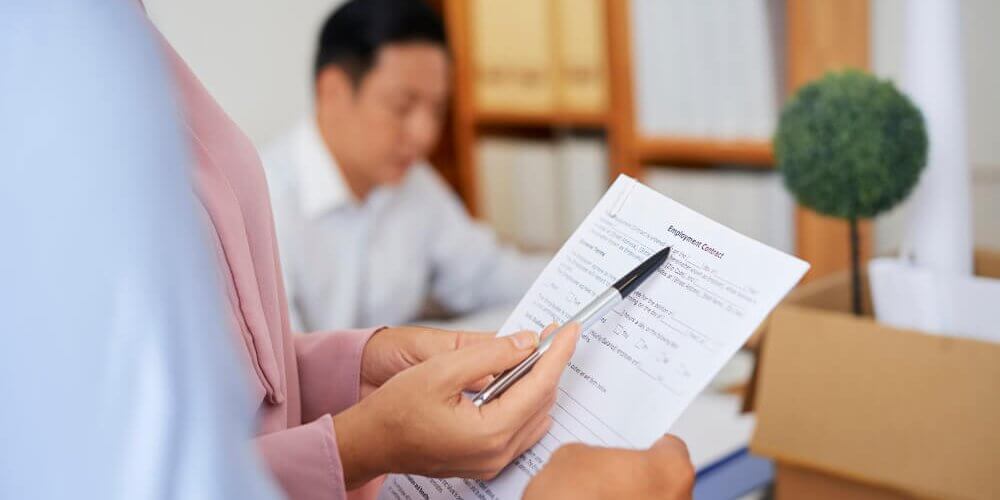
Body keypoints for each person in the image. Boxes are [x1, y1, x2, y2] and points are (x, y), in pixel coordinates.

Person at [0, 0, 279, 497]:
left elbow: (221, 349)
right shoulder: (59, 35)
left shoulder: (118, 32)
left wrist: (356, 365)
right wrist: (359, 444)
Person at [261, 0, 546, 332]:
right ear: (333, 91)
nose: (425, 134)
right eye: (402, 106)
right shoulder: (262, 203)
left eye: (438, 110)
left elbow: (487, 275)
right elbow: (277, 370)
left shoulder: (415, 182)